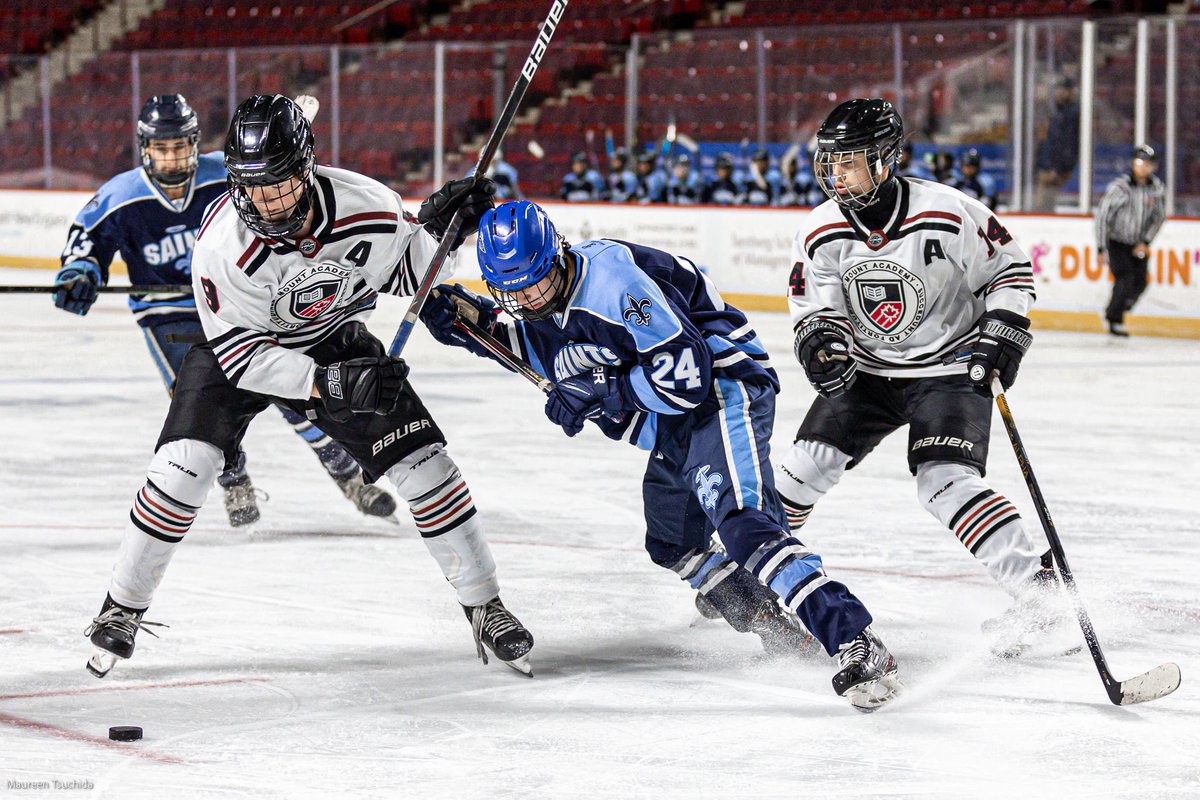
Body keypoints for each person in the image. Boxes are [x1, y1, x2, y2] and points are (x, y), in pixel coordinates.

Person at [83, 94, 534, 680]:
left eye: (280, 185)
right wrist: (329, 385)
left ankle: (486, 605)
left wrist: (445, 231)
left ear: (307, 168)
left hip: (332, 336)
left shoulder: (366, 204)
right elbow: (245, 360)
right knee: (183, 466)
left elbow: (412, 271)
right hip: (240, 349)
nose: (266, 202)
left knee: (427, 467)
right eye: (253, 186)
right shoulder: (221, 246)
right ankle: (121, 606)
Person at [420, 200, 905, 712]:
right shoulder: (536, 300)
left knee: (745, 525)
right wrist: (465, 323)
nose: (525, 298)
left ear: (556, 257)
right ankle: (771, 619)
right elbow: (529, 338)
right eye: (509, 290)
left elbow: (688, 375)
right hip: (672, 421)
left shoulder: (612, 283)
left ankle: (856, 639)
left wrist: (603, 391)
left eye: (533, 283)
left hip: (721, 393)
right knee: (673, 542)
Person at [776, 98, 1057, 653]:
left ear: (885, 160)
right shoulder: (822, 229)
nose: (836, 174)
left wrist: (1002, 327)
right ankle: (751, 573)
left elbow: (1011, 270)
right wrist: (821, 341)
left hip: (949, 367)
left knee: (943, 482)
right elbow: (814, 306)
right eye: (830, 163)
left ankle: (1042, 595)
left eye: (849, 162)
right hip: (869, 370)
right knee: (802, 468)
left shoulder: (947, 211)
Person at [52, 94, 394, 527]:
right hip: (169, 314)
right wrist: (80, 269)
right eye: (162, 148)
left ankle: (349, 476)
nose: (172, 156)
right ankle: (235, 483)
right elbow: (87, 239)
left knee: (294, 387)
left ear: (194, 142)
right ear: (145, 149)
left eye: (180, 145)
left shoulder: (230, 175)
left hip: (240, 304)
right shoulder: (121, 196)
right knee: (197, 400)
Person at [1095, 144, 1166, 337]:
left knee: (1141, 281)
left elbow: (1158, 217)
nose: (1144, 167)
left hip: (1138, 243)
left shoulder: (1156, 189)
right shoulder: (1120, 187)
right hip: (1117, 242)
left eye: (1148, 163)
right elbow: (1103, 215)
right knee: (1125, 279)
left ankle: (1120, 306)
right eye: (1140, 162)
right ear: (1133, 163)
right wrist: (1101, 247)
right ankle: (1114, 318)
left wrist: (1146, 241)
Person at [1033, 77, 1080, 212]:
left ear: (1070, 92)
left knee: (1044, 200)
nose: (1059, 92)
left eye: (1063, 89)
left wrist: (1056, 168)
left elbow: (1066, 142)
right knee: (1043, 201)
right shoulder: (1055, 109)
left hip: (1054, 166)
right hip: (1046, 162)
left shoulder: (1071, 113)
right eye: (1058, 89)